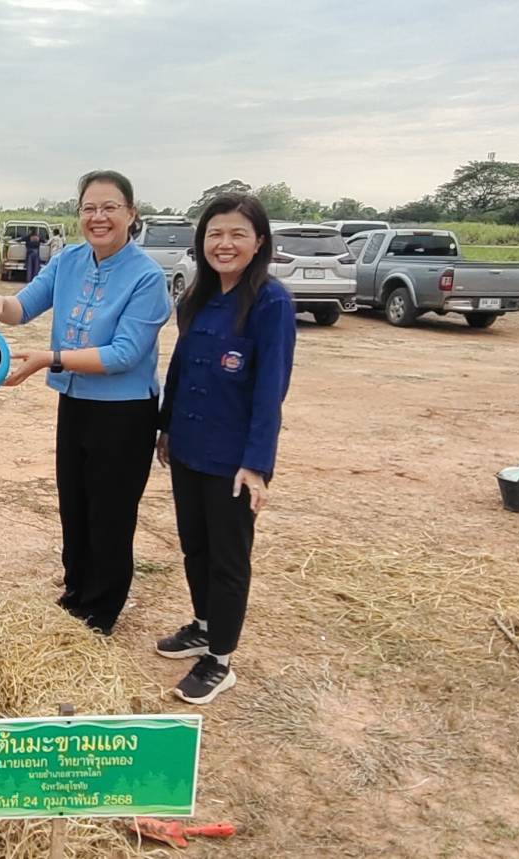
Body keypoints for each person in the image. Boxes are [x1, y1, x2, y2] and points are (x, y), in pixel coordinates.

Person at [0, 170, 171, 634]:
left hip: (124, 412)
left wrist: (49, 358)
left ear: (131, 214)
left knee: (111, 511)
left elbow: (124, 354)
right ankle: (76, 591)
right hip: (76, 403)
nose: (98, 217)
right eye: (89, 208)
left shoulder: (147, 277)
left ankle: (101, 610)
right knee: (75, 502)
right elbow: (25, 305)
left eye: (109, 208)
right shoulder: (68, 261)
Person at [152, 192, 296, 705]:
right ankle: (204, 624)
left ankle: (221, 659)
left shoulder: (270, 303)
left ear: (259, 242)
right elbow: (180, 368)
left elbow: (270, 388)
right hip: (189, 447)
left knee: (229, 559)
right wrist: (166, 428)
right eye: (215, 234)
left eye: (237, 234)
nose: (225, 243)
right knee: (195, 545)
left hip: (232, 459)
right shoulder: (199, 295)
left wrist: (257, 465)